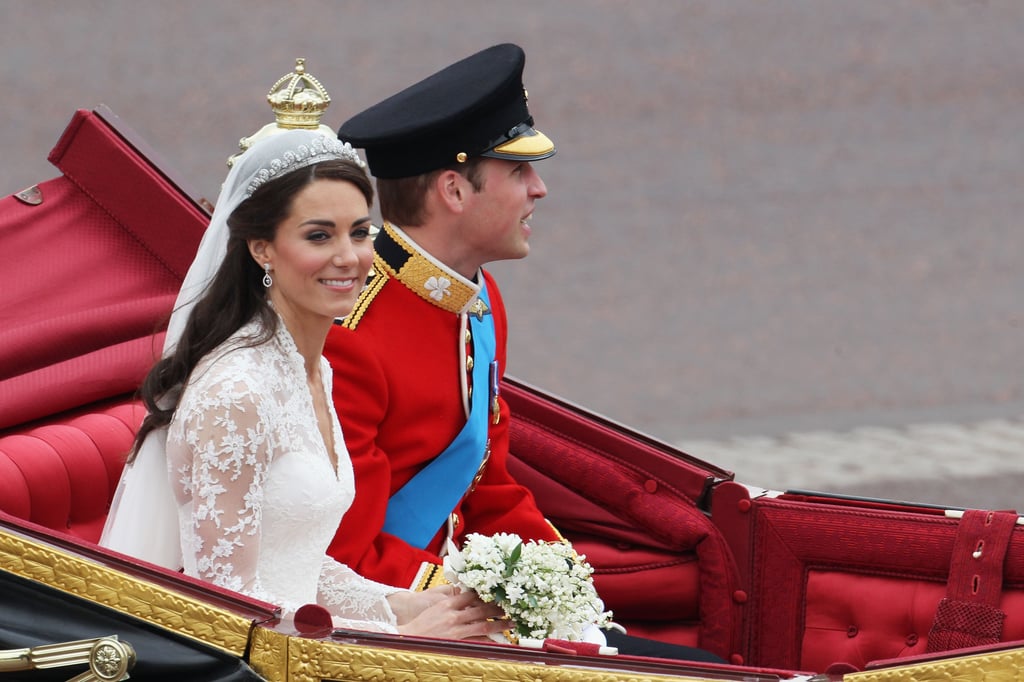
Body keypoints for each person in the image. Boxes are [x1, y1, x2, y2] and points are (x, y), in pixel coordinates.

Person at [323, 45, 723, 662]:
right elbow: (348, 555)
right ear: (454, 190)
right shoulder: (351, 333)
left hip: (461, 596)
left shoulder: (478, 299)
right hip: (411, 624)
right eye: (517, 172)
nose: (539, 189)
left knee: (695, 668)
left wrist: (568, 595)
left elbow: (488, 488)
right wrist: (493, 606)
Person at [100, 129, 507, 639]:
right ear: (262, 248)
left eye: (360, 233)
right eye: (319, 236)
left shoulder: (310, 367)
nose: (350, 257)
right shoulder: (237, 394)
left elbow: (297, 561)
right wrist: (402, 640)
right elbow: (226, 605)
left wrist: (405, 604)